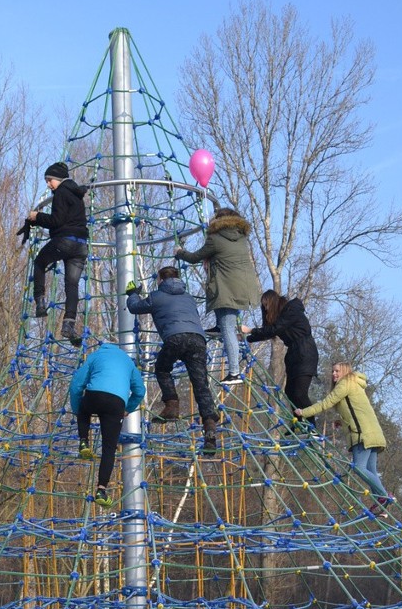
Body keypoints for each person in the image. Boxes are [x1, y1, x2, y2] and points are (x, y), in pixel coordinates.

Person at [126, 266, 219, 456]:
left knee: (162, 368)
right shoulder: (188, 296)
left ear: (160, 279)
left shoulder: (156, 295)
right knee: (201, 384)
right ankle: (210, 429)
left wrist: (133, 293)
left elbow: (135, 307)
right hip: (197, 339)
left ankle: (172, 405)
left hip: (175, 338)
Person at [174, 207, 261, 386]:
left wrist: (179, 251)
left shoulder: (215, 239)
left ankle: (234, 372)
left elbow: (194, 257)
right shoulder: (241, 238)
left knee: (229, 328)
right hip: (243, 286)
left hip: (228, 288)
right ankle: (218, 326)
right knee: (226, 323)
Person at [294, 363, 390, 502]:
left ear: (345, 371)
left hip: (362, 435)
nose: (333, 373)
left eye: (337, 371)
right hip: (373, 433)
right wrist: (342, 420)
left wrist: (303, 412)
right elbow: (356, 409)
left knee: (358, 468)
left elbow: (325, 403)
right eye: (332, 371)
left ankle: (384, 496)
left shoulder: (345, 383)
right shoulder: (355, 384)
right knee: (371, 471)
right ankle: (380, 504)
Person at [69, 343, 145, 507]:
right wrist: (128, 408)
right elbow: (140, 390)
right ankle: (101, 490)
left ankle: (83, 442)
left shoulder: (95, 355)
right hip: (116, 403)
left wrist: (77, 410)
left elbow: (77, 384)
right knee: (109, 448)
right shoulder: (127, 361)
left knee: (83, 410)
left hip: (94, 395)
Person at [26, 161, 89, 346]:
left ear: (58, 179)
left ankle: (40, 302)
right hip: (81, 245)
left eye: (49, 180)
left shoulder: (61, 192)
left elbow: (57, 220)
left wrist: (37, 217)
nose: (48, 184)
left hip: (65, 241)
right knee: (72, 285)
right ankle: (69, 323)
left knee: (39, 262)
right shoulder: (76, 194)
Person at [244, 290, 319, 410]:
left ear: (273, 302)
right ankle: (296, 426)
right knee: (290, 392)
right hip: (293, 354)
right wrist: (247, 338)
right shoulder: (281, 318)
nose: (266, 309)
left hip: (305, 352)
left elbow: (274, 329)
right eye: (264, 306)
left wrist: (250, 330)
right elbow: (268, 332)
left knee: (300, 393)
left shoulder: (291, 310)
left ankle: (311, 426)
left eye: (267, 305)